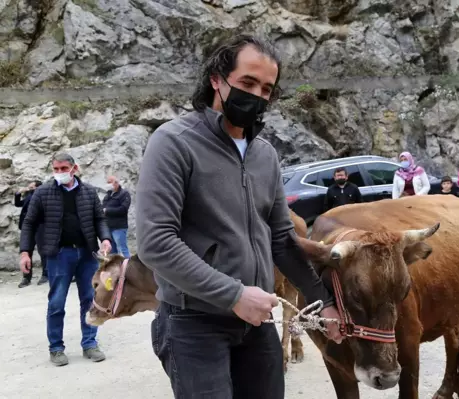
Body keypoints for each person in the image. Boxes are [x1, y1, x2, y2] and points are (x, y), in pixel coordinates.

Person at [135, 34, 342, 399]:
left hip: (256, 320)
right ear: (217, 78)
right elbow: (156, 243)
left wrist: (322, 301)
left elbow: (281, 239)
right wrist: (233, 295)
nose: (257, 95)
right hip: (193, 323)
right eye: (247, 82)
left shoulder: (265, 155)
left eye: (267, 88)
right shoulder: (173, 143)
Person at [19, 152, 113, 367]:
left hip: (87, 254)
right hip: (59, 255)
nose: (60, 173)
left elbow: (100, 219)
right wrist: (25, 251)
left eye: (63, 168)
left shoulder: (89, 192)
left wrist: (105, 239)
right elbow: (29, 223)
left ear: (74, 168)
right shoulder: (43, 192)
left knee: (90, 300)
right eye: (56, 169)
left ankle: (90, 343)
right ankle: (56, 348)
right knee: (57, 302)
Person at [15, 180, 47, 287]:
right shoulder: (29, 196)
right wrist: (18, 194)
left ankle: (45, 275)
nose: (29, 188)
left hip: (40, 227)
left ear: (38, 188)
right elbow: (18, 204)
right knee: (26, 252)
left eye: (31, 187)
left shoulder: (42, 196)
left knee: (43, 251)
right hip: (28, 228)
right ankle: (26, 277)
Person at [102, 175, 131, 258]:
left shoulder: (124, 194)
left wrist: (107, 211)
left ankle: (128, 269)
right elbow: (103, 207)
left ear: (116, 183)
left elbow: (123, 209)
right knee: (111, 252)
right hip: (108, 227)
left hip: (119, 227)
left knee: (122, 249)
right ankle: (115, 269)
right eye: (107, 182)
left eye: (109, 182)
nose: (107, 184)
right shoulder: (108, 194)